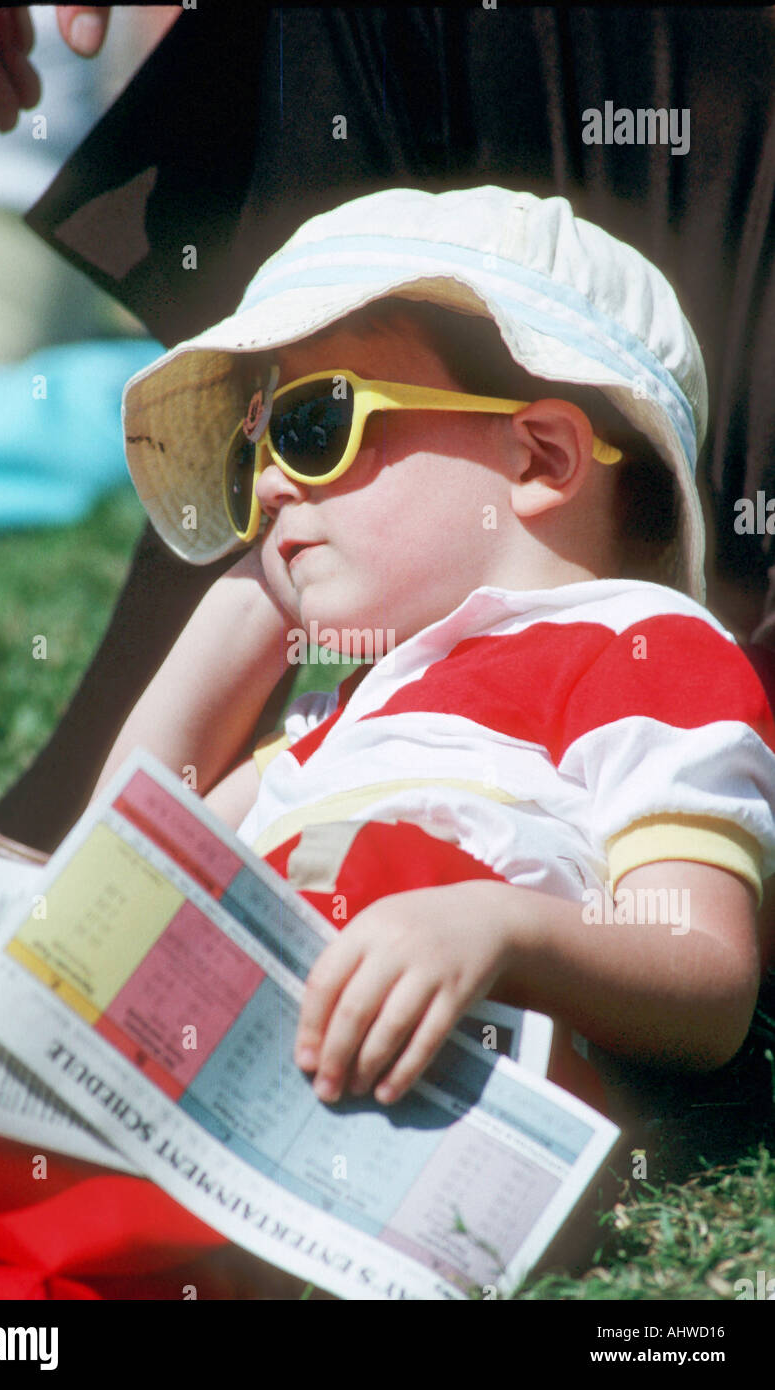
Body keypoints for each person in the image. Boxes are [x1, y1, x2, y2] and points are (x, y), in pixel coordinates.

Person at [96, 183, 775, 1115]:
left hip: (399, 1104)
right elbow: (119, 868)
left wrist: (503, 929)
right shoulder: (351, 717)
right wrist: (250, 601)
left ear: (539, 458)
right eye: (252, 455)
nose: (271, 489)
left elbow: (711, 972)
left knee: (387, 862)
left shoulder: (648, 653)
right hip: (215, 1087)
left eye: (313, 427)